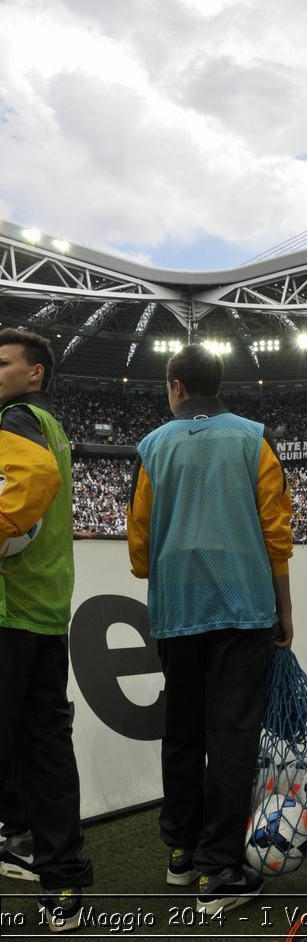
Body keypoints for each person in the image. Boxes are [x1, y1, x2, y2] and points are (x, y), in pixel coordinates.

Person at [127, 345, 293, 914]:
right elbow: (276, 529)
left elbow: (141, 549)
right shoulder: (254, 438)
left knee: (182, 728)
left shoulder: (151, 446)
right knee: (232, 734)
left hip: (177, 608)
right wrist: (284, 607)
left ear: (175, 386)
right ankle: (219, 866)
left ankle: (180, 850)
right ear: (218, 382)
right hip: (245, 604)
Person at [0, 327, 93, 932]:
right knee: (46, 746)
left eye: (1, 362)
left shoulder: (14, 419)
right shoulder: (49, 425)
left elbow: (29, 481)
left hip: (8, 610)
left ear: (35, 373)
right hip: (42, 609)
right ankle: (59, 875)